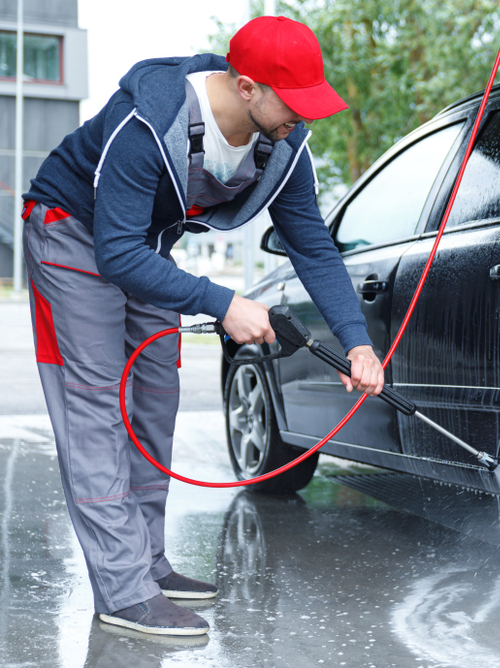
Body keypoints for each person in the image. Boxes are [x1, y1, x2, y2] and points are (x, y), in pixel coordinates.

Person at [21, 16, 384, 636]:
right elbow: (115, 253)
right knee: (96, 406)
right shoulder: (148, 122)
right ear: (246, 88)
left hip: (144, 246)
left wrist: (358, 343)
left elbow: (313, 247)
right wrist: (224, 303)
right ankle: (123, 591)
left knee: (155, 395)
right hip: (72, 232)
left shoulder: (283, 142)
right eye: (294, 102)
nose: (306, 117)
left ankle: (148, 565)